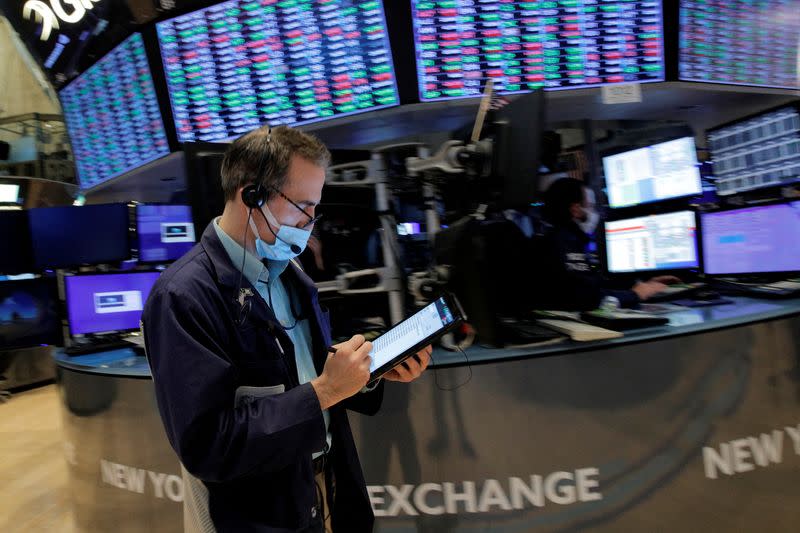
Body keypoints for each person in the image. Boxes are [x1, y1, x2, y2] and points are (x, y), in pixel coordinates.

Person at [142, 125, 432, 532]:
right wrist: (327, 390)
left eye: (315, 208)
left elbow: (301, 374)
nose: (310, 222)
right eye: (303, 206)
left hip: (326, 487)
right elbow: (209, 445)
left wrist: (366, 373)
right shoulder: (182, 297)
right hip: (264, 513)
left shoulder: (288, 273)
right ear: (251, 196)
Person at [532, 177, 678, 310]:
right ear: (576, 210)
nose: (595, 213)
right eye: (590, 206)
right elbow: (585, 298)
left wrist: (640, 284)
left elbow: (591, 285)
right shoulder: (562, 243)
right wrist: (634, 295)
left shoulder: (559, 238)